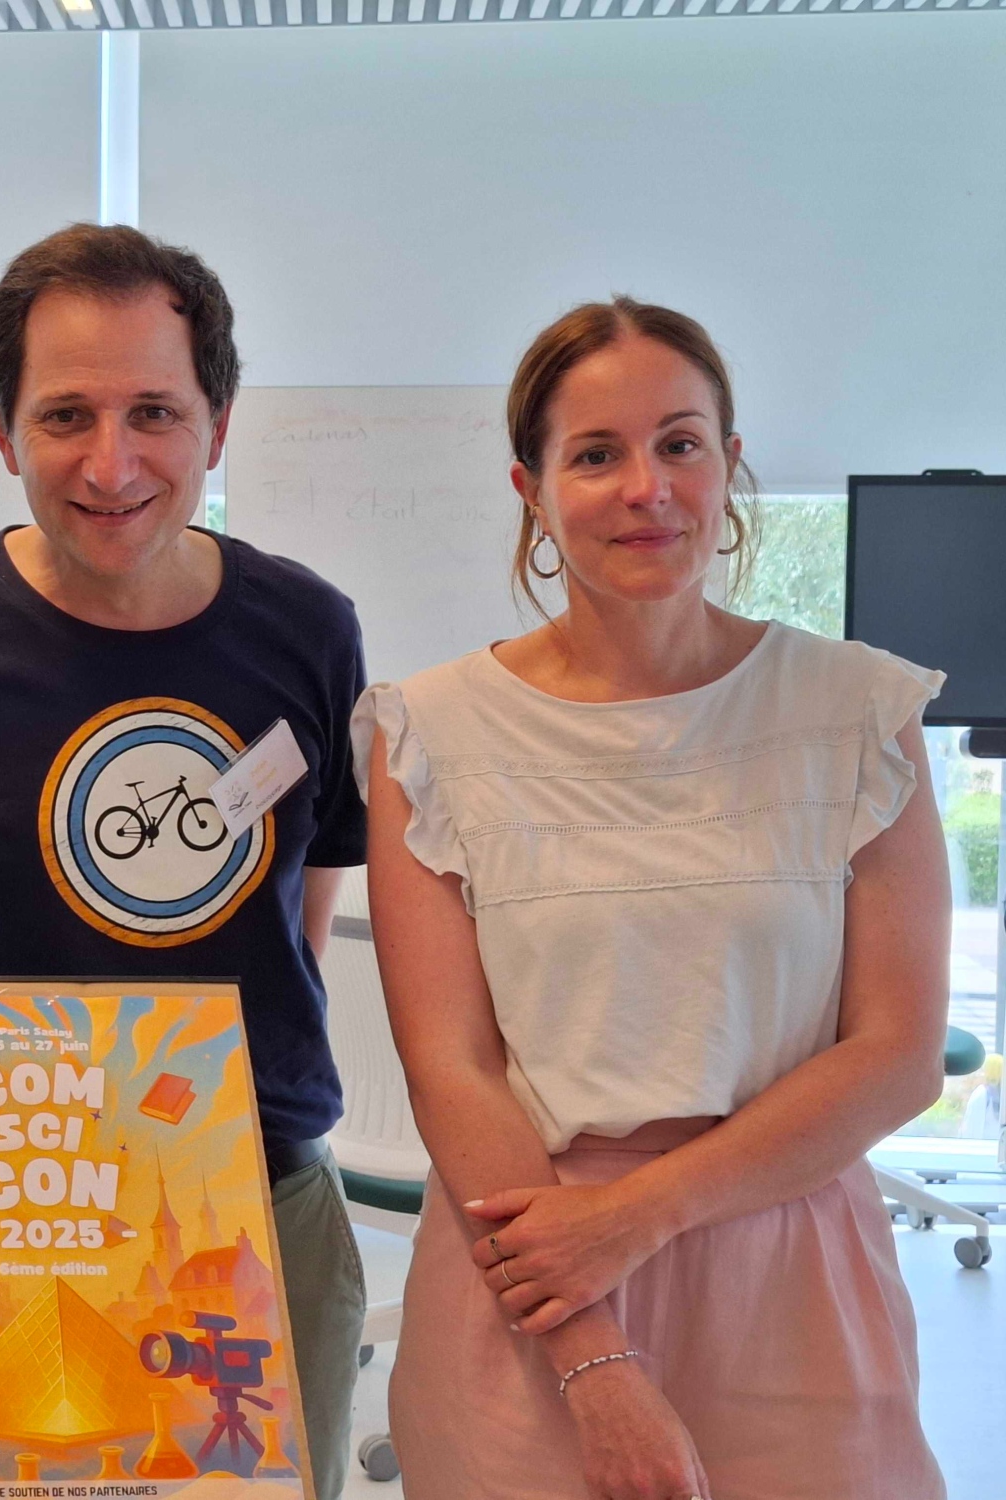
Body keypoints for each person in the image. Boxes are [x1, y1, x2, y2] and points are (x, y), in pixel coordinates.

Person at [0, 223, 369, 1499]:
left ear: (217, 426)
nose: (110, 464)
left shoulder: (309, 632)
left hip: (253, 1208)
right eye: (64, 415)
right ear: (3, 431)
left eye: (153, 413)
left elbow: (299, 916)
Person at [354, 297, 948, 1498]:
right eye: (594, 454)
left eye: (679, 443)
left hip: (790, 1272)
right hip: (530, 1275)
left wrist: (639, 1216)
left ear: (727, 463)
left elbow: (895, 1055)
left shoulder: (856, 713)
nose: (645, 488)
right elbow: (450, 1071)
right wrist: (593, 1362)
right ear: (530, 490)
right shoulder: (431, 734)